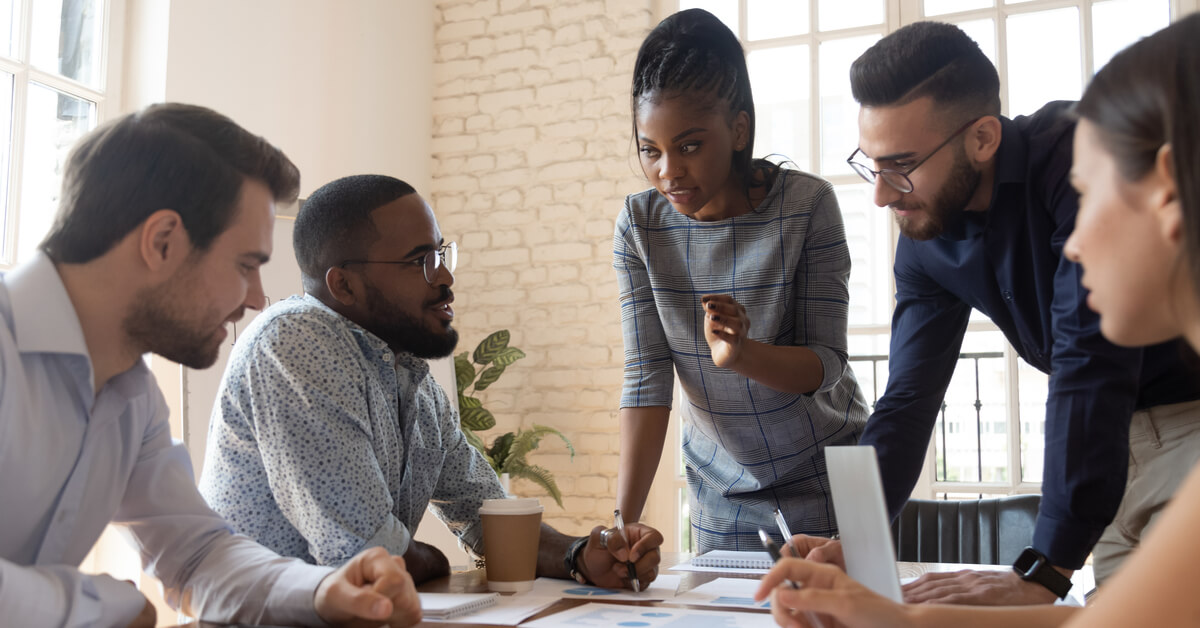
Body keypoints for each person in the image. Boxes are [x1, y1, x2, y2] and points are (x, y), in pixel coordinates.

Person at [755, 13, 1200, 627]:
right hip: (1107, 454)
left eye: (902, 164)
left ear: (983, 139)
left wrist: (1045, 565)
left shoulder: (1079, 157)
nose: (881, 194)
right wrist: (855, 541)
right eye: (871, 163)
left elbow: (1087, 357)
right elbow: (909, 397)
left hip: (1184, 428)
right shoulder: (923, 235)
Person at [0, 104, 422, 628]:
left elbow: (198, 556)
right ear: (162, 242)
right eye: (246, 265)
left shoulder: (132, 397)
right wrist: (105, 608)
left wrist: (321, 591)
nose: (256, 299)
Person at [198, 173, 663, 589]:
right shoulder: (296, 341)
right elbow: (369, 556)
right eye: (420, 260)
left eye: (442, 253)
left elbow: (489, 516)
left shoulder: (410, 377)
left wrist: (579, 554)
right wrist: (433, 561)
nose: (444, 277)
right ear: (344, 286)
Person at [613, 8, 869, 552]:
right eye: (649, 150)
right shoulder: (639, 225)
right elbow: (646, 381)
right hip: (721, 492)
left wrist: (742, 354)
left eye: (688, 146)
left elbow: (826, 365)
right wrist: (622, 526)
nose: (668, 172)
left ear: (738, 129)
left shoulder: (806, 206)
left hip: (833, 478)